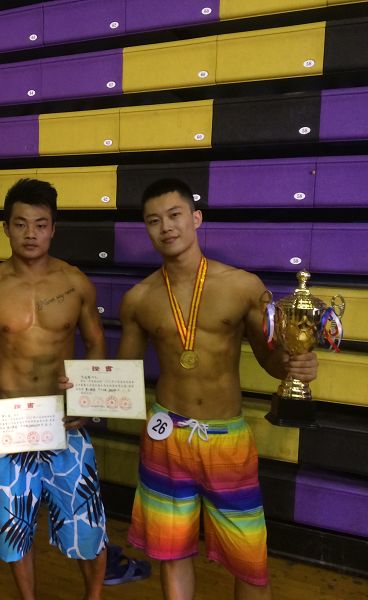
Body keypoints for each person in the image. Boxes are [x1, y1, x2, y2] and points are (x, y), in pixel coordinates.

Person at [117, 178, 318, 600]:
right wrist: (83, 388)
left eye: (174, 215)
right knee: (172, 552)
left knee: (250, 561)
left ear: (196, 218)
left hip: (227, 438)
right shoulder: (139, 298)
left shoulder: (243, 286)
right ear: (146, 228)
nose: (166, 227)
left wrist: (295, 364)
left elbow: (270, 360)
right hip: (167, 435)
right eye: (154, 220)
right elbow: (123, 374)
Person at [0, 178, 110, 600]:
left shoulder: (75, 282)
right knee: (15, 529)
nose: (31, 234)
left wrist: (88, 399)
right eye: (21, 224)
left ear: (53, 229)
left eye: (40, 225)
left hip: (65, 421)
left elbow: (96, 341)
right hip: (12, 425)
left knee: (88, 525)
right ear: (6, 227)